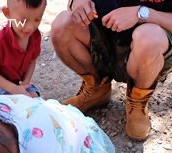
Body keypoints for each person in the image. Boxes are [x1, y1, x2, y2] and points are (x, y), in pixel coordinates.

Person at [50, 0, 172, 141]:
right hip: (102, 41)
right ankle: (97, 89)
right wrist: (77, 3)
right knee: (63, 23)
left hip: (147, 49)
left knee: (150, 37)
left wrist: (142, 13)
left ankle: (137, 101)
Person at [0, 0, 46, 97]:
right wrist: (14, 89)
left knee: (34, 96)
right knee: (13, 105)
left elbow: (32, 61)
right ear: (7, 13)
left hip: (16, 81)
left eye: (37, 20)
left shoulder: (35, 36)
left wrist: (26, 82)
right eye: (23, 21)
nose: (30, 27)